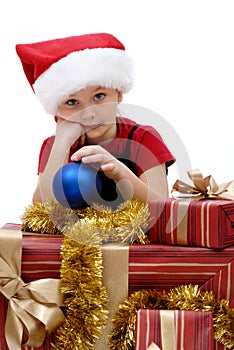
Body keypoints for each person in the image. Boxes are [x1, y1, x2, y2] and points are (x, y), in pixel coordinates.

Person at [16, 32, 175, 209]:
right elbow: (42, 209)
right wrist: (61, 145)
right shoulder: (55, 146)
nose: (88, 114)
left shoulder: (143, 138)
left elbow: (162, 207)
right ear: (56, 109)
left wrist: (117, 170)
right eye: (72, 102)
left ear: (119, 93)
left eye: (99, 96)